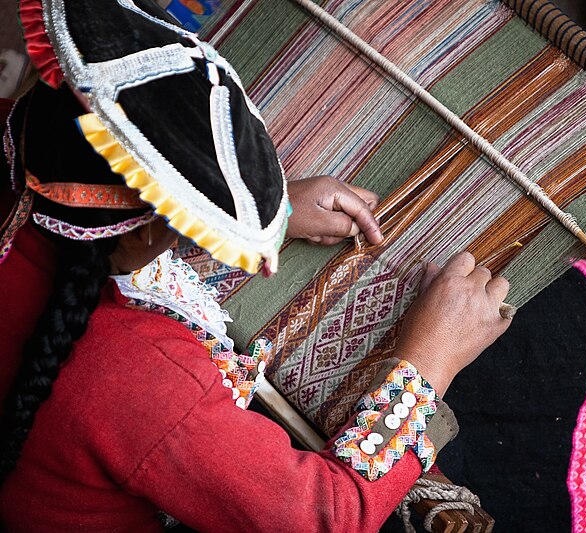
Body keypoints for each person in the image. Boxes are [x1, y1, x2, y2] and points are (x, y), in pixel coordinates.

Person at [0, 1, 513, 531]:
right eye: (190, 218)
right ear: (155, 227)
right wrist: (430, 361)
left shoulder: (21, 135)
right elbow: (326, 516)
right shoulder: (140, 382)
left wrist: (279, 208)